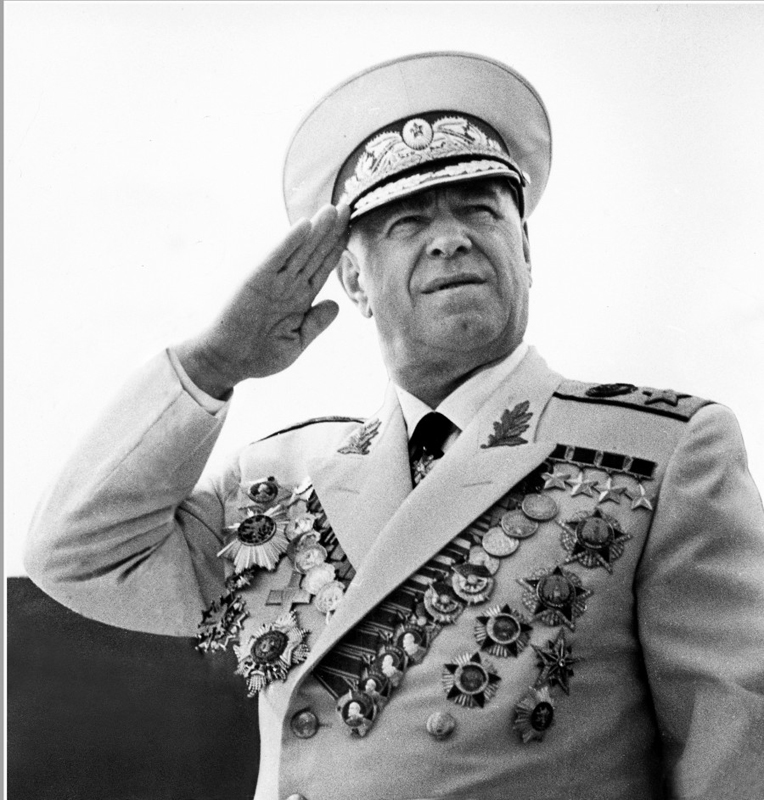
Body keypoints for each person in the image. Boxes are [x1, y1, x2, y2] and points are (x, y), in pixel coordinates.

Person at [25, 51, 764, 800]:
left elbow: (733, 749)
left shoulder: (660, 453)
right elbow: (78, 557)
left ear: (524, 247)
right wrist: (213, 364)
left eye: (480, 210)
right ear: (353, 281)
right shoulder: (275, 482)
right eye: (408, 222)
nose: (451, 239)